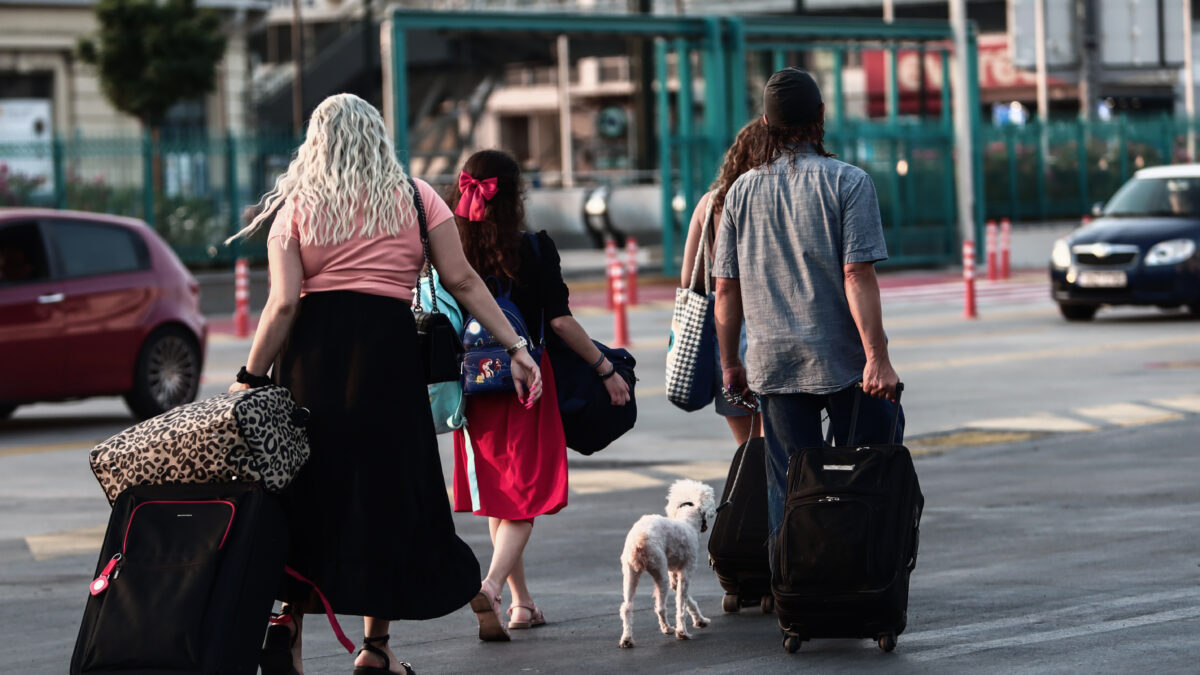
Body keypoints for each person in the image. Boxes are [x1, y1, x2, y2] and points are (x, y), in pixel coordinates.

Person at [226, 94, 542, 675]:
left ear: (315, 141)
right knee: (384, 495)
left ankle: (287, 630)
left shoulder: (296, 206)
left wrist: (249, 377)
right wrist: (517, 348)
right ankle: (375, 648)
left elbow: (281, 305)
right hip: (390, 363)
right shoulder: (418, 200)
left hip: (312, 367)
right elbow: (465, 282)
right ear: (378, 135)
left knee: (303, 492)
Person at [710, 68, 903, 576]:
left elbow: (724, 289)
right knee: (868, 463)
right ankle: (864, 573)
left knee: (789, 481)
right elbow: (857, 274)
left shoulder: (740, 192)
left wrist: (731, 364)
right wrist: (878, 359)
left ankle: (794, 585)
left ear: (767, 123)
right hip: (844, 361)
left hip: (772, 360)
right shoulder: (850, 181)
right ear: (821, 117)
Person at [448, 149, 629, 642]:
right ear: (515, 194)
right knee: (527, 496)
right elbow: (560, 321)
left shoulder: (450, 247)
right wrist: (605, 368)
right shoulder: (534, 249)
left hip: (473, 387)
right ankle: (491, 587)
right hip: (526, 380)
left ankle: (523, 604)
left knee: (501, 500)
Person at [680, 118, 769, 447]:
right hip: (771, 327)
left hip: (725, 333)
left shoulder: (711, 203)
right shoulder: (771, 198)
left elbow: (689, 277)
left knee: (747, 450)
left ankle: (751, 498)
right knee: (780, 449)